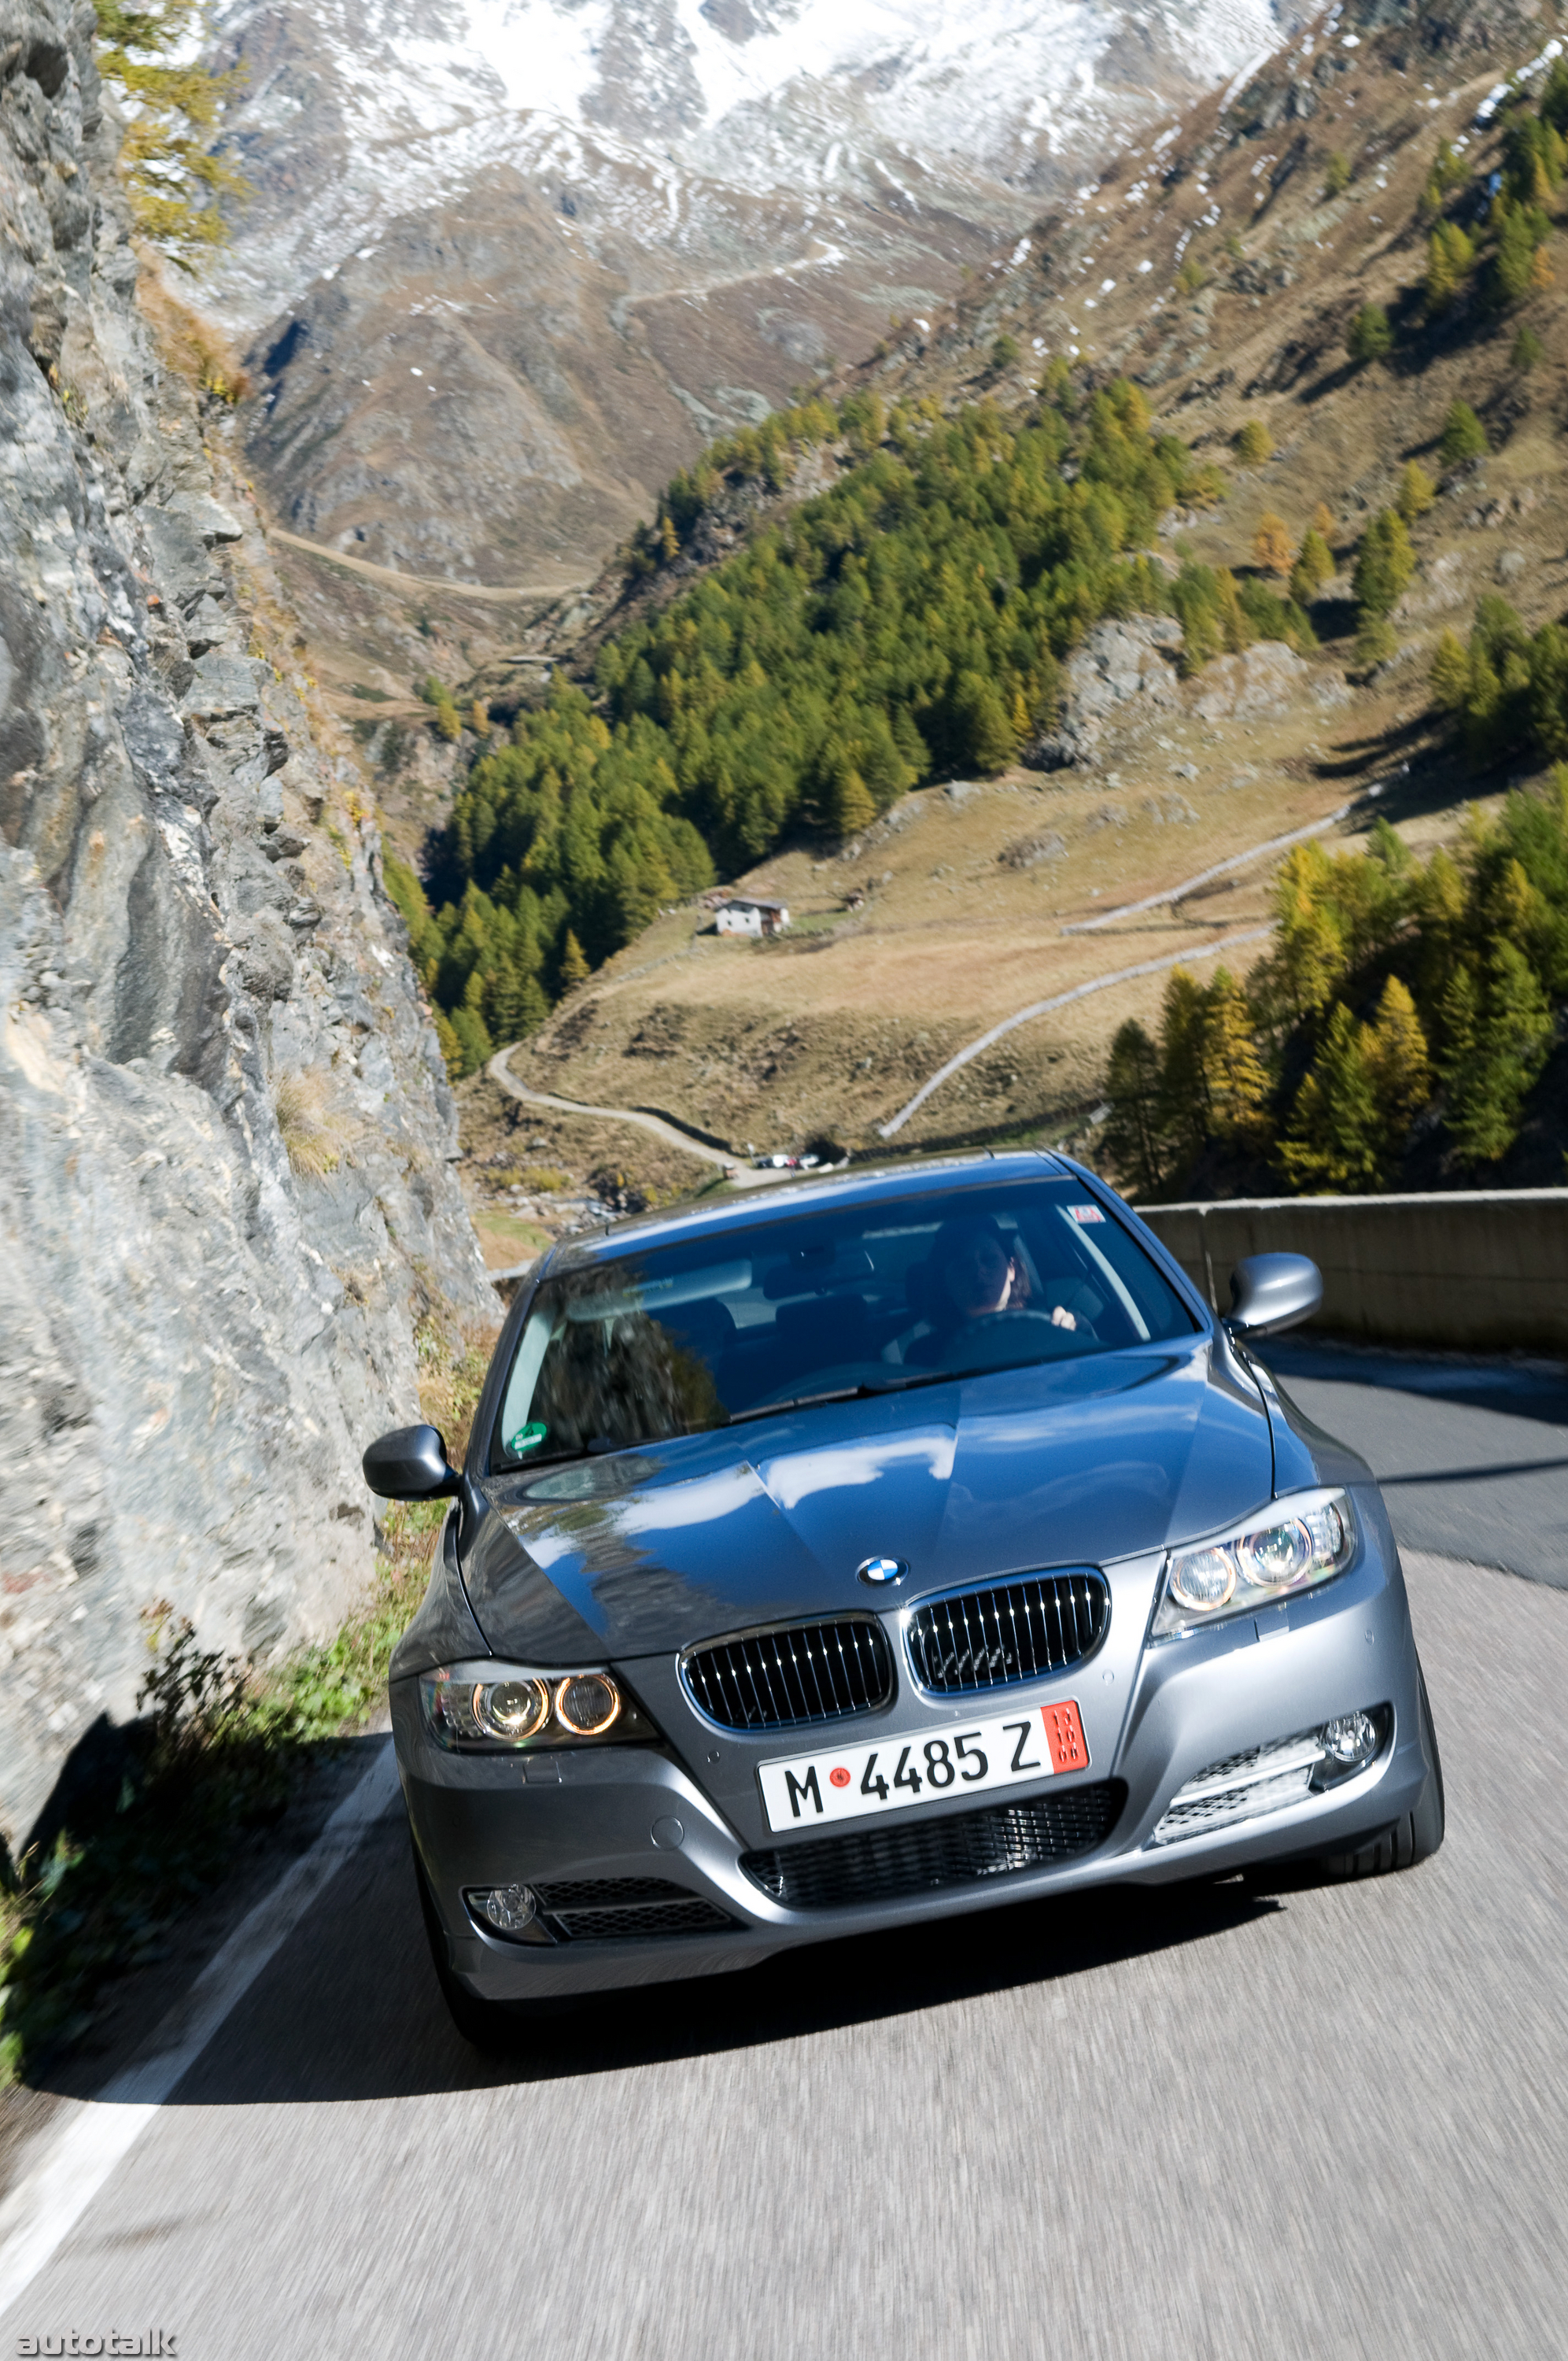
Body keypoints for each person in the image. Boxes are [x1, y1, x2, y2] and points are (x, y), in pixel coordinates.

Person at [891, 1214, 1076, 1365]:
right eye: (963, 1266)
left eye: (989, 1260)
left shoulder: (1050, 1327)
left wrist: (1069, 1332)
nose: (979, 1273)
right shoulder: (925, 1356)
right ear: (945, 1282)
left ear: (1011, 1269)